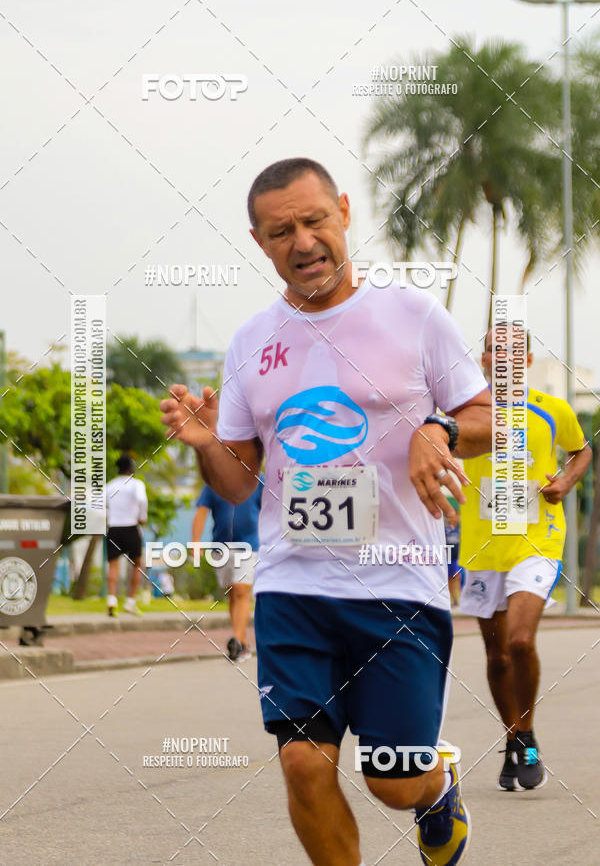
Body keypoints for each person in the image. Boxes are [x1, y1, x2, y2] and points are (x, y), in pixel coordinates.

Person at [160, 158, 492, 866]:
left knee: (393, 782)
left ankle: (435, 789)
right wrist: (204, 443)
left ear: (344, 211)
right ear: (260, 242)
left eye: (315, 220)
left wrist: (439, 431)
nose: (303, 241)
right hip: (293, 587)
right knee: (304, 764)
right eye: (282, 231)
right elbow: (240, 483)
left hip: (400, 585)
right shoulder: (252, 341)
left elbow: (493, 414)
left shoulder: (413, 315)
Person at [459, 327, 592, 792]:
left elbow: (581, 451)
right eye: (496, 349)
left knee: (518, 641)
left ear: (529, 359)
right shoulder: (461, 413)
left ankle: (528, 737)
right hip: (481, 545)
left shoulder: (552, 410)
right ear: (482, 358)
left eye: (514, 351)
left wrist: (565, 483)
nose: (504, 357)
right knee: (495, 655)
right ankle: (513, 737)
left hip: (538, 538)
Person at [192, 480, 263, 662]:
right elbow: (201, 512)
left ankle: (237, 642)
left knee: (241, 590)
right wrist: (196, 542)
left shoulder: (259, 481)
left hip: (249, 546)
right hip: (220, 548)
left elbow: (270, 512)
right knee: (233, 593)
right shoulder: (214, 481)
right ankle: (243, 643)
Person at [105, 454, 148, 617]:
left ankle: (111, 599)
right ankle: (130, 602)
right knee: (137, 564)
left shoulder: (109, 486)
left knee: (113, 564)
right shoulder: (137, 484)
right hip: (131, 527)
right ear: (131, 468)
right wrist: (142, 517)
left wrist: (111, 515)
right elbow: (141, 500)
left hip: (114, 528)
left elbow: (100, 504)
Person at [444, 499, 462, 607]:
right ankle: (451, 598)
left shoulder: (460, 529)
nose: (454, 518)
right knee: (450, 578)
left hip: (457, 557)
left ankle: (458, 597)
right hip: (449, 557)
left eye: (456, 515)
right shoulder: (446, 529)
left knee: (457, 577)